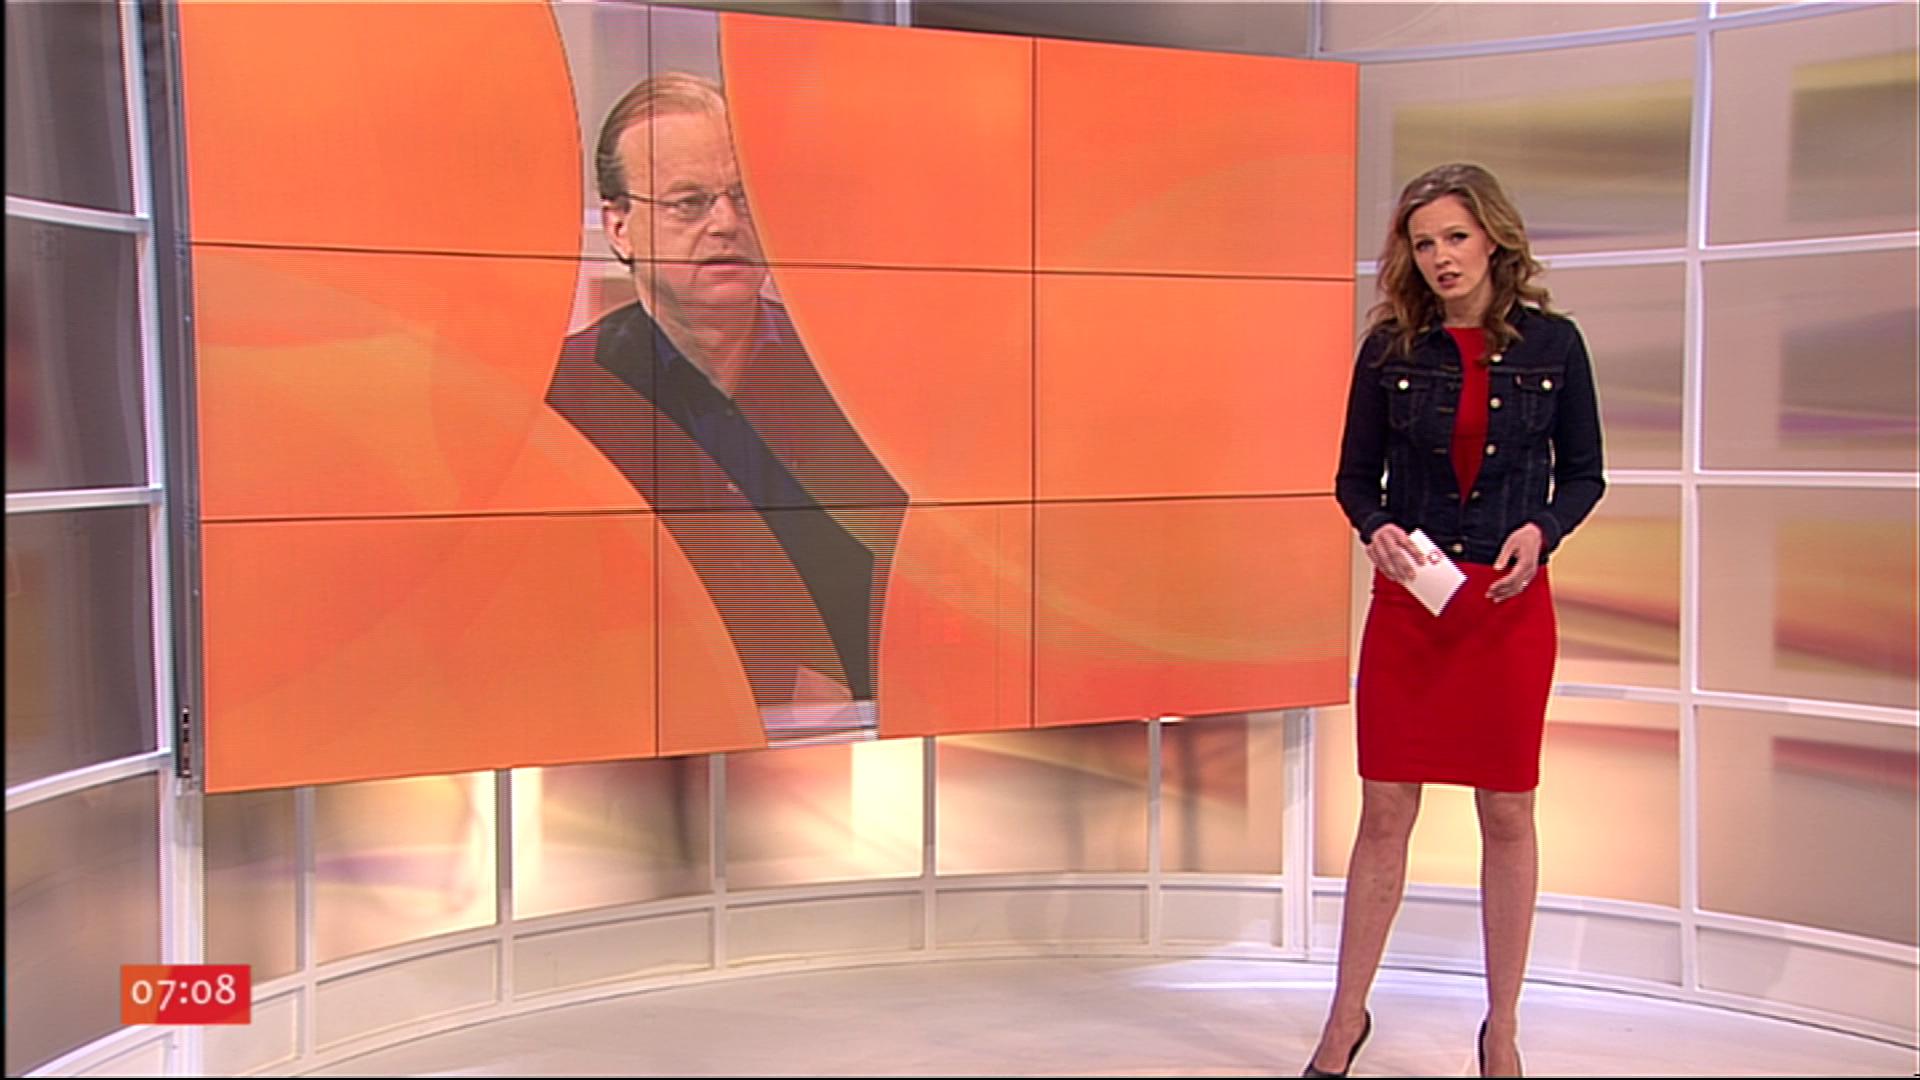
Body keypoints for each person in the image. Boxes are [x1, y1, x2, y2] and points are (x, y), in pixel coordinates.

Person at [1307, 163, 1605, 1078]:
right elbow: (1352, 479)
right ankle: (1343, 1020)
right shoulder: (1389, 351)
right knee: (1384, 810)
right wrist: (1376, 527)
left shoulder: (1556, 345)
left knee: (1508, 812)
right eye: (1424, 242)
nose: (1441, 257)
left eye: (1456, 237)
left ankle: (1501, 1028)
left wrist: (1543, 530)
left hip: (1507, 607)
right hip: (1412, 603)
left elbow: (1585, 473)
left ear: (1494, 238)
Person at [547, 73, 907, 745]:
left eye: (744, 198)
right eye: (690, 202)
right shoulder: (563, 401)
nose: (727, 223)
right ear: (620, 227)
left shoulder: (858, 384)